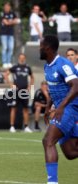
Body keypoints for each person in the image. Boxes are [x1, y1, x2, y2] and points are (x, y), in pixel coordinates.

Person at [40, 35, 78, 184]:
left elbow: (76, 86)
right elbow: (53, 88)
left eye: (41, 46)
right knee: (70, 152)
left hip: (70, 107)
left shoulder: (63, 64)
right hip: (62, 108)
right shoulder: (47, 66)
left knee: (48, 141)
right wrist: (48, 107)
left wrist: (61, 107)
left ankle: (52, 182)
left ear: (48, 48)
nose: (39, 49)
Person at [4, 53, 34, 133]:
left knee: (25, 109)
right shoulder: (15, 67)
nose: (22, 59)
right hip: (16, 91)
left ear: (25, 58)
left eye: (23, 58)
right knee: (14, 108)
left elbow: (32, 77)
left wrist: (29, 86)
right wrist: (11, 84)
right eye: (20, 58)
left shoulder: (28, 68)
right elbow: (6, 74)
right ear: (18, 58)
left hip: (24, 91)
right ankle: (12, 126)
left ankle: (26, 126)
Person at [0, 2, 19, 69]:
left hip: (11, 33)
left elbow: (17, 20)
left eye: (8, 7)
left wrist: (10, 22)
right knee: (5, 48)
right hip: (4, 34)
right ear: (4, 7)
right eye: (6, 7)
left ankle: (8, 62)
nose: (7, 8)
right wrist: (12, 21)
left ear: (9, 7)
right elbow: (6, 23)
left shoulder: (12, 13)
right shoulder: (2, 13)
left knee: (10, 48)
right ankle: (4, 62)